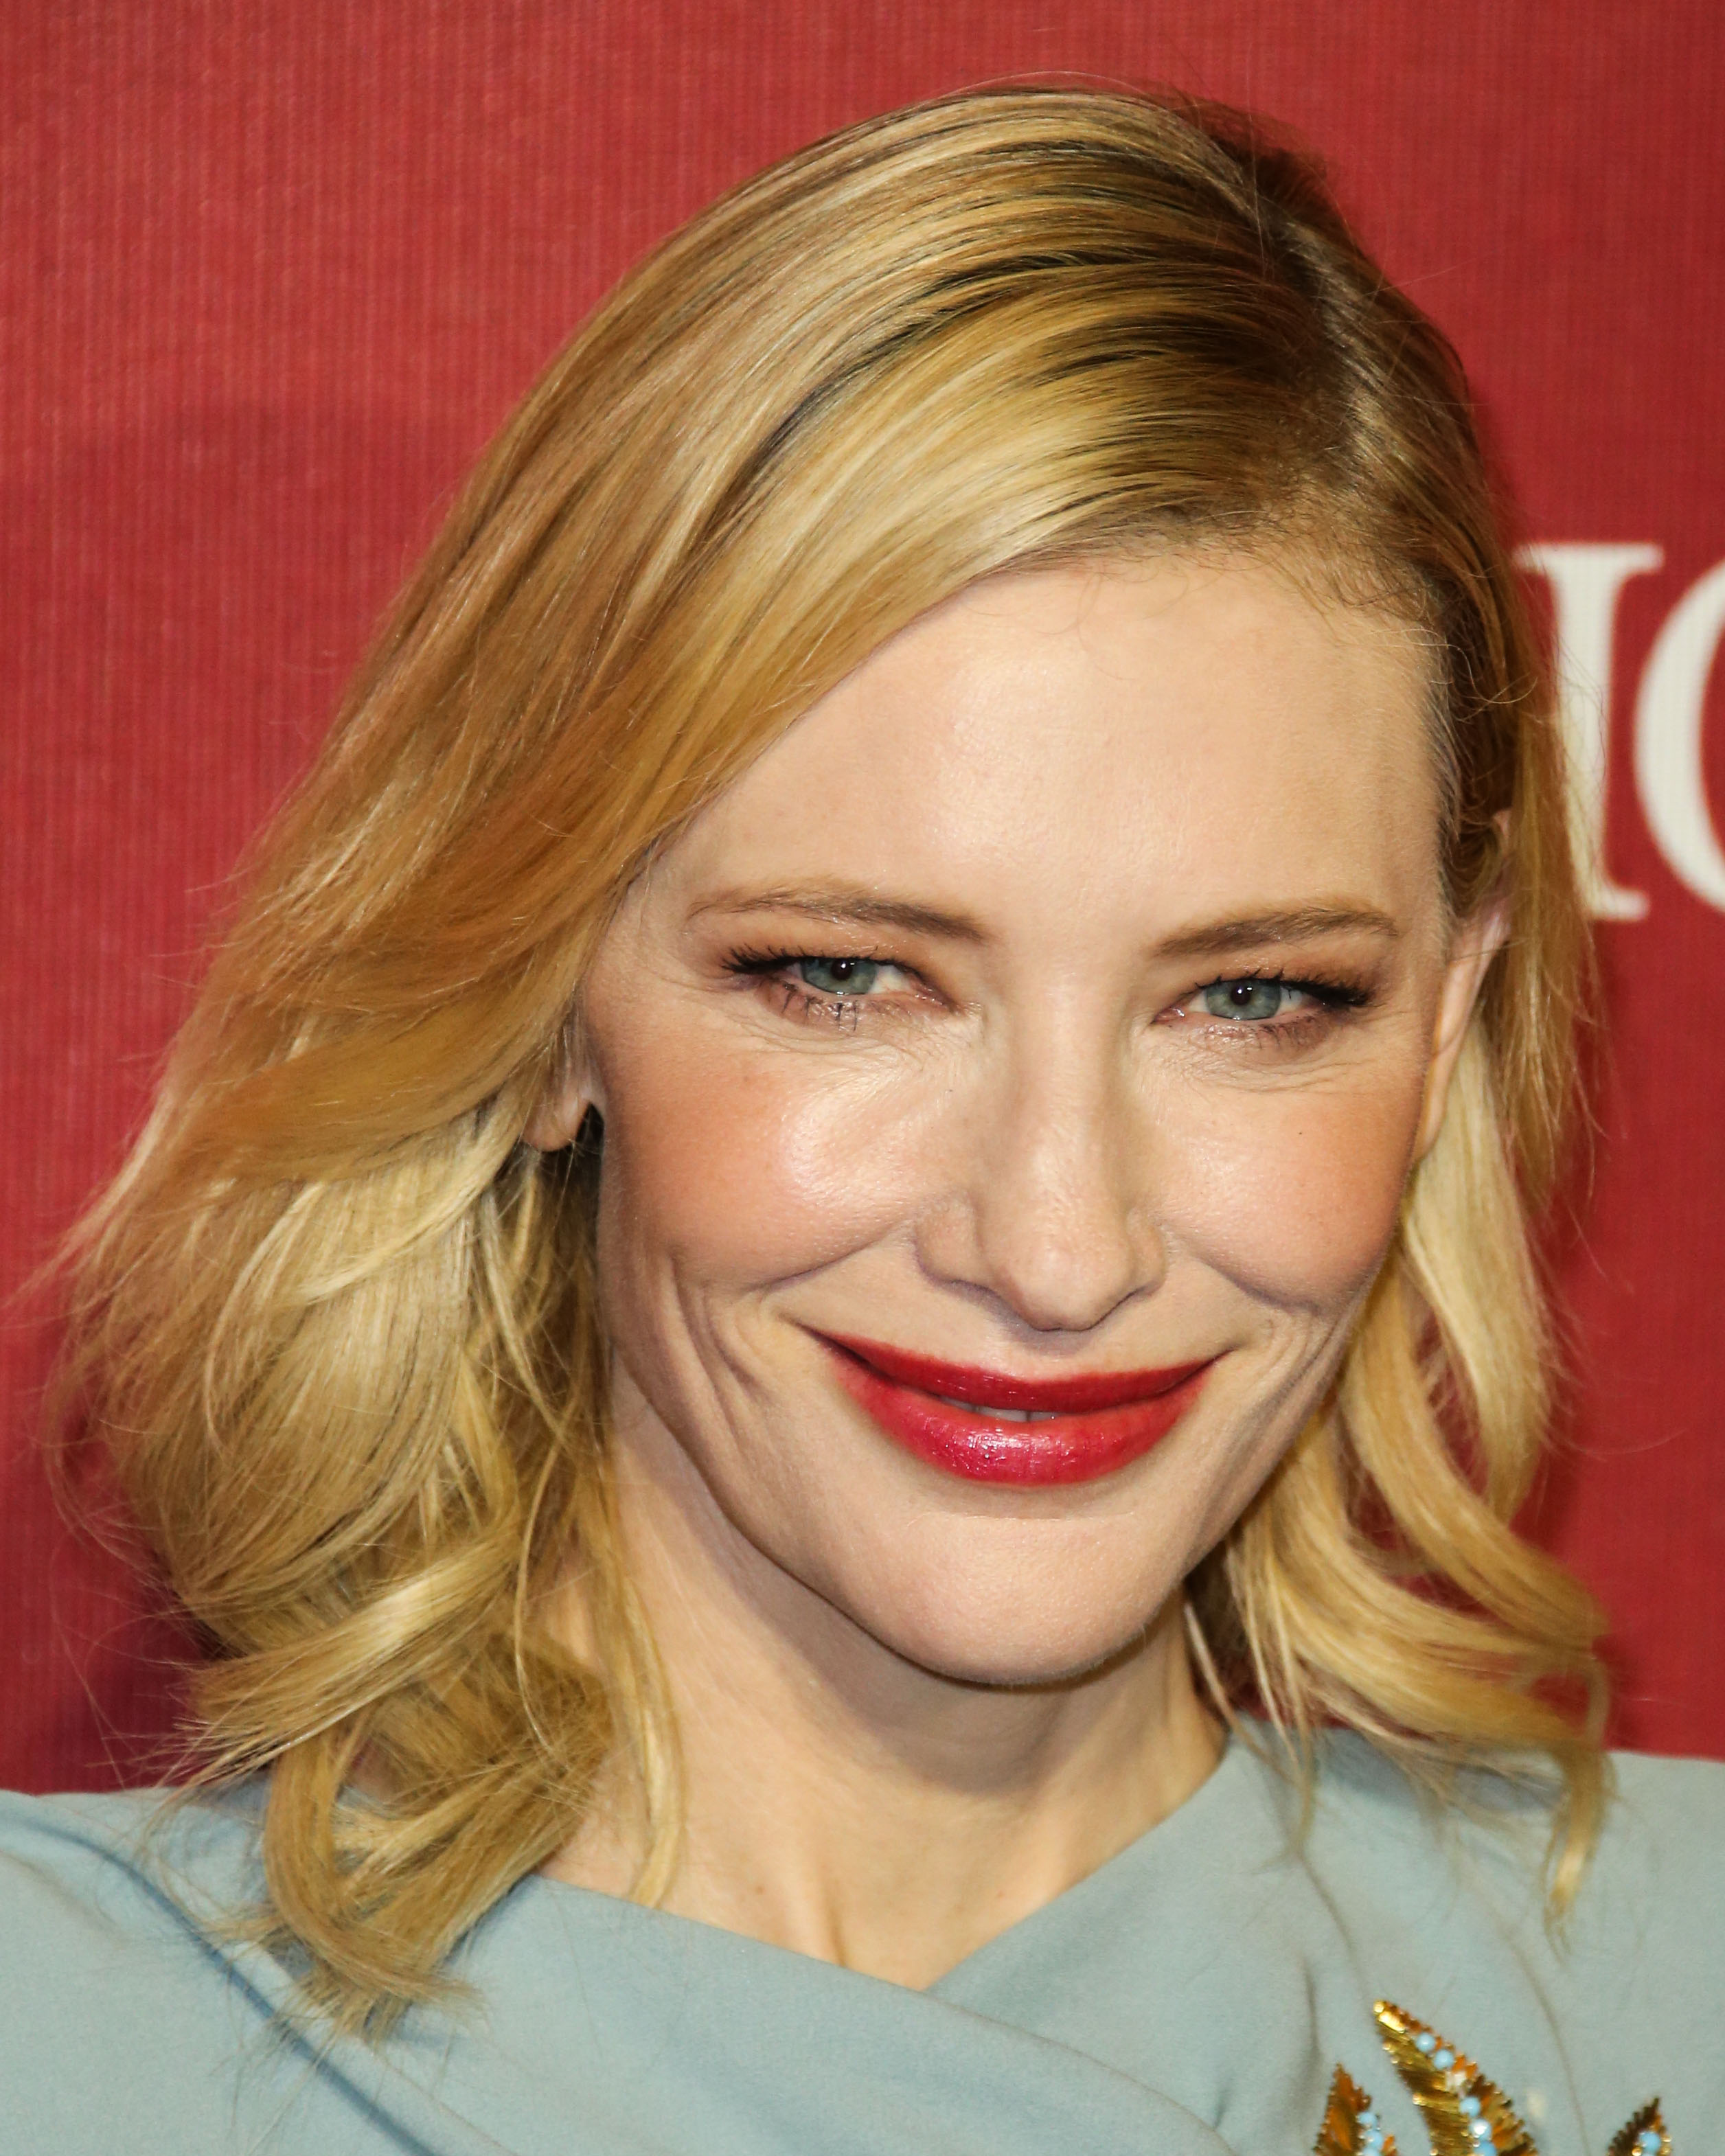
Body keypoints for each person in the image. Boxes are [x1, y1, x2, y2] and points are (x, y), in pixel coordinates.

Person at [0, 84, 1718, 2156]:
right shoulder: (63, 2050)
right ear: (538, 999)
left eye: (1257, 997)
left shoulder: (1677, 1978)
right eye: (847, 977)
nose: (1060, 1246)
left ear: (1447, 1023)